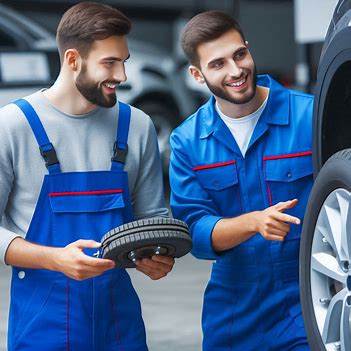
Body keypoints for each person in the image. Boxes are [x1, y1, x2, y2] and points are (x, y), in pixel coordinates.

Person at [0, 2, 174, 350]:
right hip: (41, 329)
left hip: (120, 329)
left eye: (123, 61)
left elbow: (153, 219)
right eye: (110, 62)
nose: (122, 76)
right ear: (72, 60)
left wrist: (155, 257)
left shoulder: (137, 126)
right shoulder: (13, 126)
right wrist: (55, 259)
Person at [170, 10, 313, 351]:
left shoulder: (310, 115)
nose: (236, 71)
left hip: (307, 295)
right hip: (234, 306)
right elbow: (196, 230)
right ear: (197, 74)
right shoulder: (187, 141)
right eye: (218, 64)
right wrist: (253, 223)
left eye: (239, 54)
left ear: (248, 49)